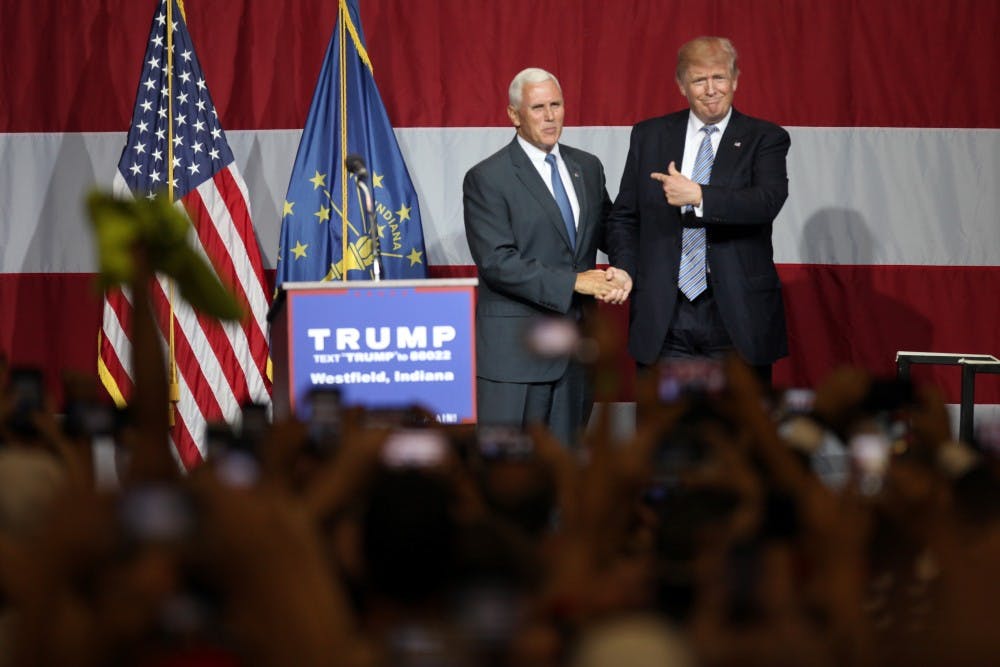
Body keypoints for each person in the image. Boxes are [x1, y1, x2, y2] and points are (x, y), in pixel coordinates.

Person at [605, 36, 790, 383]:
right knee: (663, 434)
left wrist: (698, 195)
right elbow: (624, 217)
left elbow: (766, 202)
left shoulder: (764, 138)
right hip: (665, 313)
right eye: (698, 80)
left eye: (719, 77)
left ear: (735, 79)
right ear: (681, 85)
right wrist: (626, 268)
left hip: (735, 316)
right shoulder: (649, 135)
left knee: (738, 434)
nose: (710, 89)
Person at [463, 67, 629, 447]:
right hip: (515, 358)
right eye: (538, 107)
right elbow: (497, 262)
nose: (551, 116)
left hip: (576, 354)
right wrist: (574, 281)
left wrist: (622, 268)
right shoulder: (487, 177)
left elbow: (610, 228)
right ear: (514, 115)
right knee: (509, 479)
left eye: (556, 104)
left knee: (566, 476)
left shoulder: (586, 166)